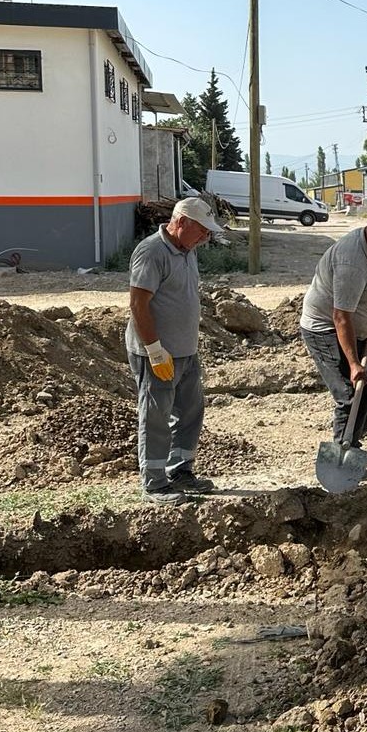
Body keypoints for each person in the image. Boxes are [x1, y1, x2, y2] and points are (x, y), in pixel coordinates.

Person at [126, 195, 225, 505]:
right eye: (202, 230)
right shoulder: (151, 252)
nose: (206, 237)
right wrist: (155, 350)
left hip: (185, 351)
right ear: (181, 222)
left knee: (190, 412)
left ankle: (180, 470)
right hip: (156, 352)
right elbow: (138, 304)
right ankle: (154, 483)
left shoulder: (186, 250)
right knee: (155, 415)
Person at [300, 207, 367, 449]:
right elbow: (341, 317)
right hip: (325, 328)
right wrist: (354, 364)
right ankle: (341, 450)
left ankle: (352, 443)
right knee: (349, 392)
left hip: (354, 330)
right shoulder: (352, 262)